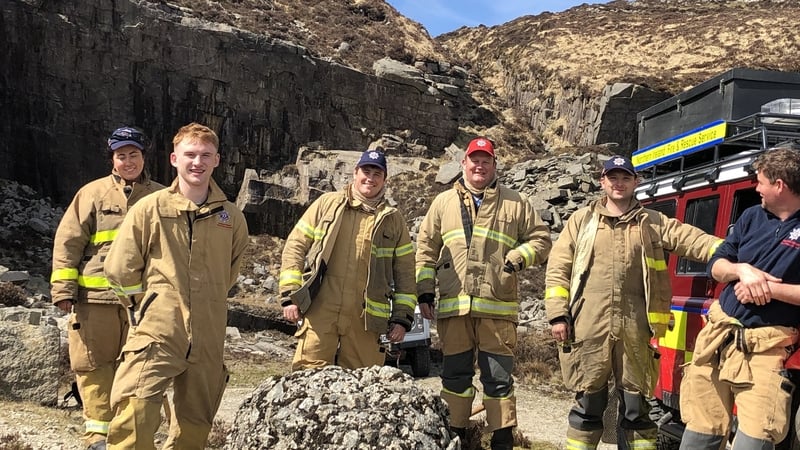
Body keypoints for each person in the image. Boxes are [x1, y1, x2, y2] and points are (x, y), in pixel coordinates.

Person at [544, 154, 723, 450]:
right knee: (588, 403)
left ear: (636, 182)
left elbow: (690, 239)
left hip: (636, 328)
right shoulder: (582, 220)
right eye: (613, 177)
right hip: (590, 326)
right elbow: (558, 268)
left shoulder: (650, 222)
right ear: (602, 181)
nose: (619, 183)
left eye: (625, 177)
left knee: (635, 407)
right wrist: (557, 315)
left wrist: (730, 249)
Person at [102, 122, 249, 449]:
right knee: (135, 412)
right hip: (158, 329)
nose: (197, 162)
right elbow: (119, 268)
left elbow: (230, 272)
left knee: (195, 424)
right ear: (173, 159)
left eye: (205, 155)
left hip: (209, 334)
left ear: (217, 161)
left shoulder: (232, 218)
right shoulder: (149, 209)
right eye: (190, 154)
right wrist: (144, 306)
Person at [415, 137, 552, 450]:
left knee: (499, 382)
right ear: (463, 163)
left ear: (494, 165)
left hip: (497, 310)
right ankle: (457, 436)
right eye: (474, 160)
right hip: (454, 309)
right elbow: (425, 249)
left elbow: (542, 241)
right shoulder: (443, 203)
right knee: (455, 379)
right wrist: (425, 293)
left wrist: (519, 258)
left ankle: (502, 439)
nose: (479, 166)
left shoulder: (516, 202)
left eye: (486, 160)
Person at [50, 126, 164, 450]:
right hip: (94, 300)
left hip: (143, 302)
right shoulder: (91, 194)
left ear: (144, 157)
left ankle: (131, 437)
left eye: (134, 155)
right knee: (94, 365)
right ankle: (98, 437)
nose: (128, 161)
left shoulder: (162, 197)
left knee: (139, 368)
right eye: (121, 155)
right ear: (112, 160)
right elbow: (67, 242)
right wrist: (63, 290)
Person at [679, 147, 800, 449]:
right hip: (718, 341)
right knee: (699, 436)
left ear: (779, 185)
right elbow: (716, 265)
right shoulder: (751, 217)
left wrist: (768, 289)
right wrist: (742, 271)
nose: (756, 188)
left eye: (760, 182)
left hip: (767, 350)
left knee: (755, 440)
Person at [279, 149, 417, 370]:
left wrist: (402, 319)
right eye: (366, 171)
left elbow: (406, 273)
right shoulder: (327, 204)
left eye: (377, 174)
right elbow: (295, 245)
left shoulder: (394, 220)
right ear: (355, 173)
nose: (370, 178)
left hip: (366, 321)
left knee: (364, 385)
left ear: (384, 180)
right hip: (321, 311)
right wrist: (289, 293)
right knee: (307, 377)